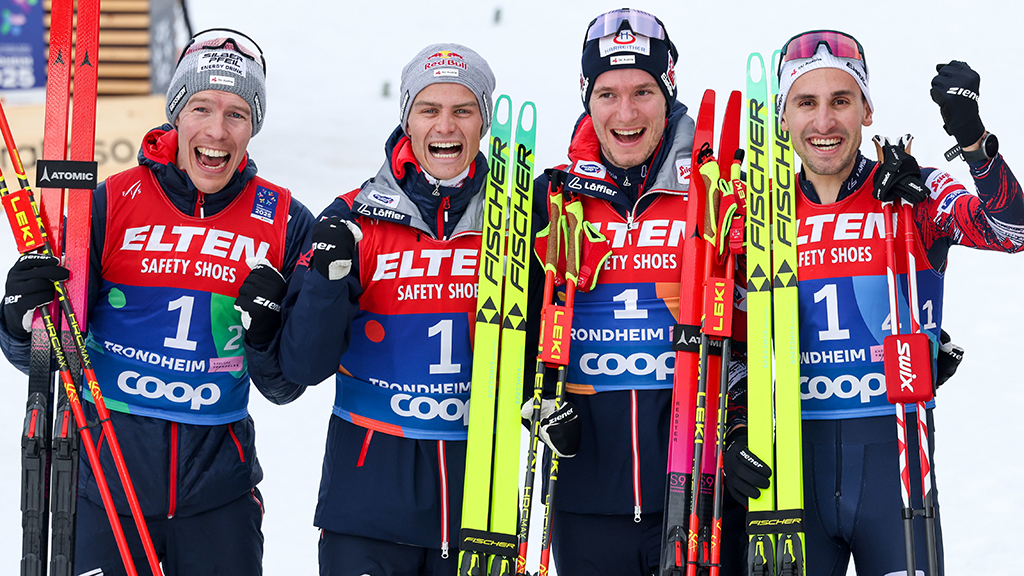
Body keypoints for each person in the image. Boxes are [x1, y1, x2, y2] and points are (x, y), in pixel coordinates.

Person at [0, 28, 313, 575]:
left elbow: (284, 385)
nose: (217, 131)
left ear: (254, 125)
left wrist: (266, 336)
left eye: (237, 114)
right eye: (201, 108)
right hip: (105, 486)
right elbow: (50, 355)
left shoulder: (285, 221)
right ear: (176, 113)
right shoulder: (110, 203)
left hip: (218, 495)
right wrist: (20, 321)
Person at [721, 30, 1024, 576]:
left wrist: (974, 142)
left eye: (841, 101)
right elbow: (738, 345)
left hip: (896, 472)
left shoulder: (911, 192)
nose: (824, 121)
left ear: (866, 110)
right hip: (789, 476)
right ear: (782, 117)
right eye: (805, 103)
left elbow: (1012, 231)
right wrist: (737, 430)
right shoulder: (755, 214)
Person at [275, 43, 543, 575]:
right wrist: (327, 283)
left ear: (484, 121)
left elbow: (538, 343)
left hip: (479, 503)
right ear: (407, 119)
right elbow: (302, 365)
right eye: (429, 109)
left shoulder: (519, 218)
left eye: (463, 110)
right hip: (367, 505)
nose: (445, 126)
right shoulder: (353, 216)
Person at [531, 8, 748, 575]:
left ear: (667, 92)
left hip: (701, 496)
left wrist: (742, 418)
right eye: (607, 94)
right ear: (587, 98)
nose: (625, 114)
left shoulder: (720, 188)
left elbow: (761, 318)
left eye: (643, 92)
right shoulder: (552, 200)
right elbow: (512, 331)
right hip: (584, 500)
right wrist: (540, 401)